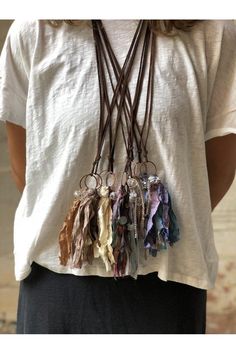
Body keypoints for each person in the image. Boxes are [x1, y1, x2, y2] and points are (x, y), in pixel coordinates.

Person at [0, 19, 236, 334]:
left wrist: (150, 222)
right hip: (58, 274)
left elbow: (217, 169)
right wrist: (90, 226)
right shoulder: (35, 29)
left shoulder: (213, 32)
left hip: (167, 274)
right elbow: (28, 170)